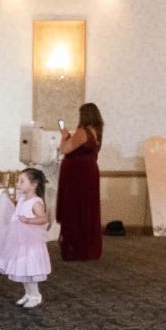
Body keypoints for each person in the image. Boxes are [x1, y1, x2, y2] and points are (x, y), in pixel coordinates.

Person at [0, 168, 51, 308]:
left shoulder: (36, 202)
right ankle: (28, 294)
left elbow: (44, 218)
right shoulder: (22, 199)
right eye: (18, 181)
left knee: (30, 268)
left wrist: (29, 220)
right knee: (22, 268)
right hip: (19, 240)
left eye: (21, 181)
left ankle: (35, 295)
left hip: (30, 242)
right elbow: (18, 211)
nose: (18, 184)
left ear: (33, 185)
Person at [56, 103, 104, 261]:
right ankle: (88, 246)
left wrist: (64, 136)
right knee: (87, 208)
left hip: (77, 175)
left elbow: (65, 149)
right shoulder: (97, 132)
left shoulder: (83, 131)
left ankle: (76, 247)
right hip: (89, 172)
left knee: (75, 208)